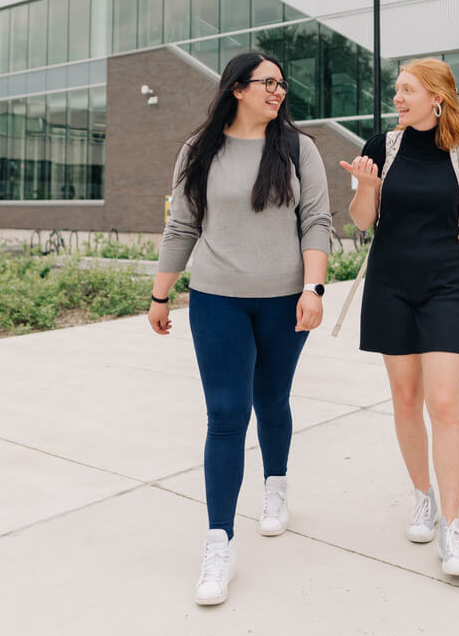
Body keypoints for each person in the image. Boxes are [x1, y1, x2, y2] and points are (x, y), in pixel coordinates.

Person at [149, 51, 332, 607]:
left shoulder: (300, 149)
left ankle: (275, 484)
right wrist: (161, 294)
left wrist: (314, 288)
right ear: (236, 88)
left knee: (271, 399)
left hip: (285, 301)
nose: (278, 92)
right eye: (267, 83)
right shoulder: (198, 150)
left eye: (282, 84)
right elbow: (182, 223)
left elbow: (316, 221)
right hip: (216, 300)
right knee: (227, 415)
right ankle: (218, 542)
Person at [340, 58, 459, 579]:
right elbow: (362, 223)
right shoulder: (380, 148)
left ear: (437, 97)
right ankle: (422, 497)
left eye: (408, 90)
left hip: (446, 286)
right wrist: (366, 187)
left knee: (444, 401)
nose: (398, 98)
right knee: (406, 397)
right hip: (389, 285)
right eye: (397, 90)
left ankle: (452, 527)